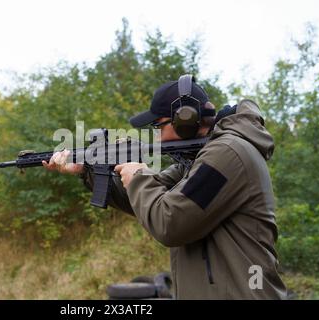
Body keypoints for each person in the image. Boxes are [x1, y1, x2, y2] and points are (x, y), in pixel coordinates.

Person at [43, 75, 287, 299]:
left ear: (186, 120)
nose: (157, 137)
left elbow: (169, 221)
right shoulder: (200, 159)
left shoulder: (228, 154)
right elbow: (147, 200)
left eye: (159, 126)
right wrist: (88, 170)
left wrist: (137, 174)